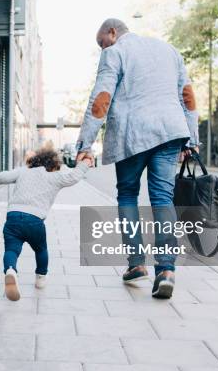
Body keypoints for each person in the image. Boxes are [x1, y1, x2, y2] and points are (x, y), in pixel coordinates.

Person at [76, 18, 199, 299]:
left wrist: (85, 144)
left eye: (102, 43)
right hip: (170, 131)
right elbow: (188, 96)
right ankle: (166, 270)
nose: (102, 49)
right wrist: (192, 138)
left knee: (128, 195)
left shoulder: (115, 52)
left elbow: (102, 97)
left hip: (132, 134)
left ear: (112, 32)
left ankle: (136, 263)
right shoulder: (169, 50)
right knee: (163, 198)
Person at [0, 148, 91, 301]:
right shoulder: (56, 176)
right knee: (40, 249)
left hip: (13, 217)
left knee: (12, 250)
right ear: (54, 164)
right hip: (35, 220)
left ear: (35, 161)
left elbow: (4, 176)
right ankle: (40, 278)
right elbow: (73, 177)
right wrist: (85, 163)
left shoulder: (24, 171)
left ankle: (10, 270)